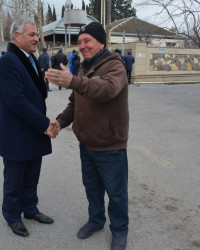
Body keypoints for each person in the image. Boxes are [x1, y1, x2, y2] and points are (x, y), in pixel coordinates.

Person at [45, 22, 129, 250]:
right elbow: (75, 103)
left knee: (116, 193)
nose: (82, 46)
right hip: (88, 144)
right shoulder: (84, 68)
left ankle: (120, 231)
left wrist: (73, 80)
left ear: (101, 42)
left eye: (87, 41)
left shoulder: (115, 65)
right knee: (92, 188)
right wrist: (60, 122)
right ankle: (96, 221)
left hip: (110, 145)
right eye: (80, 42)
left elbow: (106, 90)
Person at [0, 18, 58, 238]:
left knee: (32, 175)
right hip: (17, 132)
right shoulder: (8, 62)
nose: (36, 38)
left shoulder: (28, 58)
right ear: (17, 36)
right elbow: (16, 101)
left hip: (32, 129)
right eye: (31, 34)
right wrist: (45, 124)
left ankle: (30, 209)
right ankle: (12, 216)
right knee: (15, 179)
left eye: (37, 34)